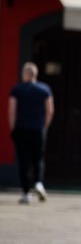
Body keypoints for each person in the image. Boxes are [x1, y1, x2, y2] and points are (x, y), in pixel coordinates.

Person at [8, 62, 54, 204]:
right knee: (38, 158)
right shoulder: (44, 89)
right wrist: (44, 127)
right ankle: (39, 183)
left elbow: (12, 111)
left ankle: (26, 193)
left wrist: (12, 128)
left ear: (24, 74)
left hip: (21, 129)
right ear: (35, 74)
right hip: (38, 129)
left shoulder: (17, 90)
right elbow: (50, 110)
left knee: (23, 161)